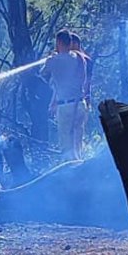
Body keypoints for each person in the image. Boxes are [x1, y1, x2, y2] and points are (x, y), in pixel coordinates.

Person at [40, 29, 86, 161]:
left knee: (66, 145)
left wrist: (51, 58)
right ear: (70, 42)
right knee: (78, 144)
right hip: (80, 103)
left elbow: (43, 74)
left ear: (59, 42)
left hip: (65, 107)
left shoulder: (53, 60)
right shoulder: (78, 57)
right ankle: (81, 169)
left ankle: (70, 174)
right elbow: (83, 77)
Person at [69, 31, 92, 155]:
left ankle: (77, 157)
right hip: (76, 100)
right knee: (74, 131)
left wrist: (87, 98)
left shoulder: (84, 61)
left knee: (77, 132)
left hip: (79, 100)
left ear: (76, 44)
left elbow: (87, 81)